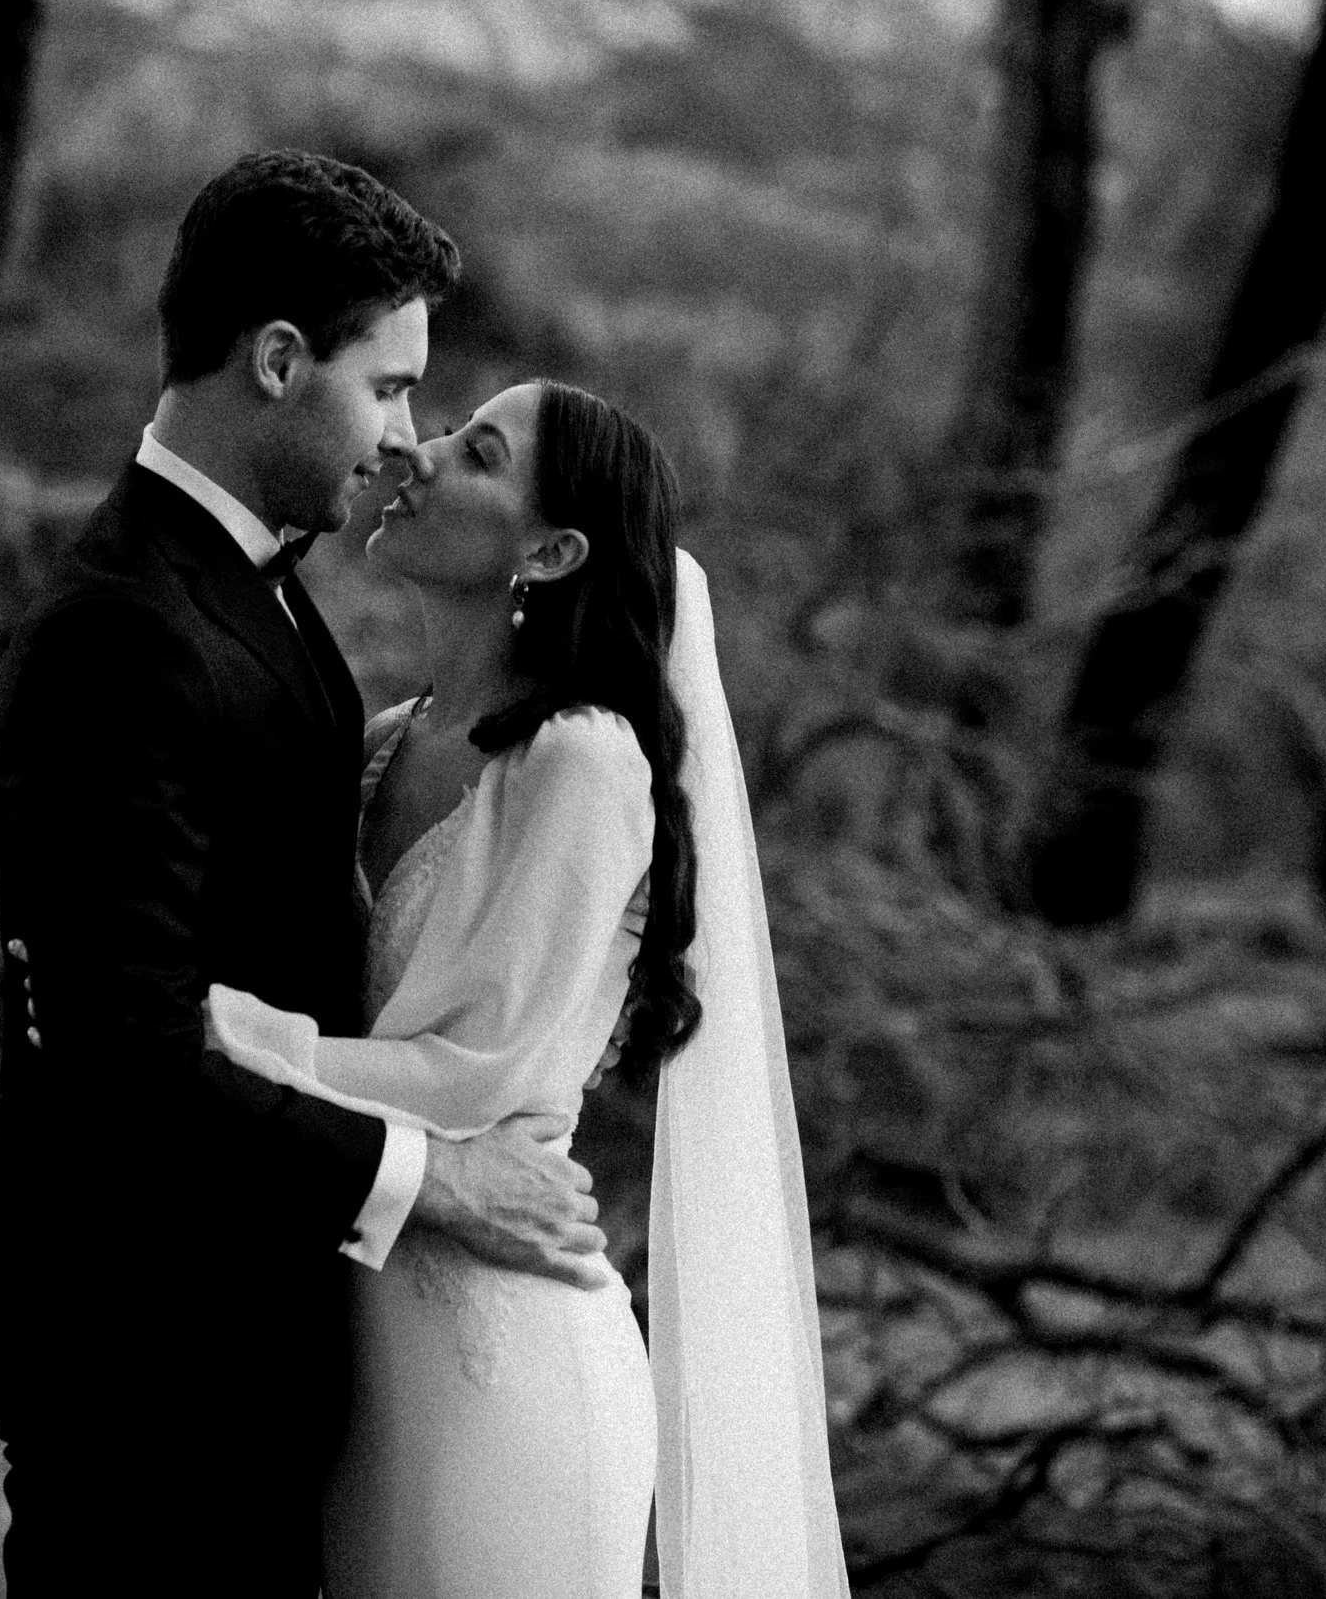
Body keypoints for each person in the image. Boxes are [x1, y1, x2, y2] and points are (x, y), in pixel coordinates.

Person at [0, 151, 613, 1597]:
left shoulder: (262, 592)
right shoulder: (122, 628)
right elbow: (123, 1044)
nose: (403, 436)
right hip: (142, 1343)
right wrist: (436, 1178)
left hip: (254, 1321)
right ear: (280, 360)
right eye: (389, 387)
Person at [201, 380, 852, 1596]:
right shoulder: (388, 737)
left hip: (500, 1358)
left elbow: (475, 1071)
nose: (417, 454)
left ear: (548, 551)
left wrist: (229, 1031)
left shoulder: (584, 757)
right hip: (362, 1332)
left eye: (474, 453)